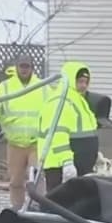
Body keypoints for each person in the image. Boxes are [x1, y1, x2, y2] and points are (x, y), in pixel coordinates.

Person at [0, 56, 44, 210]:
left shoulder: (42, 86)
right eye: (22, 66)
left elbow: (52, 108)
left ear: (33, 68)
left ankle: (37, 207)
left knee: (36, 178)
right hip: (14, 143)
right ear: (17, 67)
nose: (25, 70)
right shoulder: (5, 87)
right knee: (16, 180)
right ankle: (17, 208)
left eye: (28, 66)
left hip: (36, 143)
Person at [37, 60, 100, 191]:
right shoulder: (60, 101)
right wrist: (67, 162)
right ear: (70, 79)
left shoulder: (78, 99)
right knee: (59, 200)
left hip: (78, 163)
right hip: (59, 165)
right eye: (79, 81)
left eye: (85, 82)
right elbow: (59, 134)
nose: (83, 86)